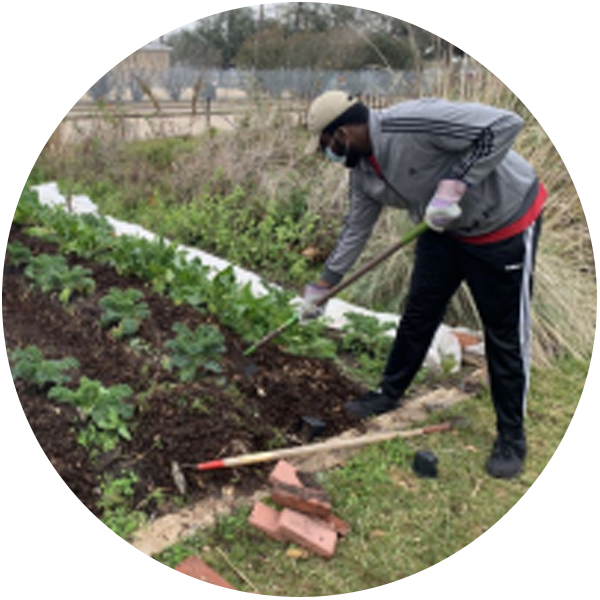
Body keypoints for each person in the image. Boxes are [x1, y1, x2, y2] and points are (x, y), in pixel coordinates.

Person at [300, 91, 546, 479]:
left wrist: (455, 184)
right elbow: (356, 228)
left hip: (502, 223)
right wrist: (324, 285)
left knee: (503, 332)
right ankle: (389, 393)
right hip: (442, 228)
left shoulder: (412, 122)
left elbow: (505, 123)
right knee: (419, 312)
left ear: (343, 132)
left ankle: (511, 437)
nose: (326, 152)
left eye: (326, 143)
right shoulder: (363, 171)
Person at [587, 76, 598, 146]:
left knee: (596, 127)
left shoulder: (595, 89)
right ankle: (588, 144)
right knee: (597, 127)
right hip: (596, 106)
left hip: (592, 105)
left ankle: (589, 143)